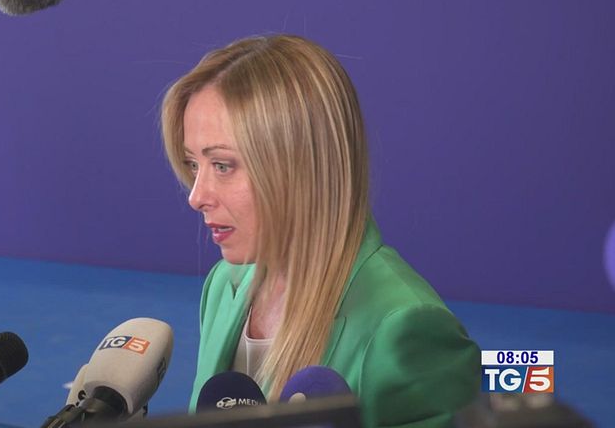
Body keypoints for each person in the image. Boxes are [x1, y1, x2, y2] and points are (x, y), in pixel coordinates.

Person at [160, 34, 480, 428]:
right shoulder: (224, 284)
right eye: (193, 165)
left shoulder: (406, 327)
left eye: (223, 166)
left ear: (303, 167)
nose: (196, 197)